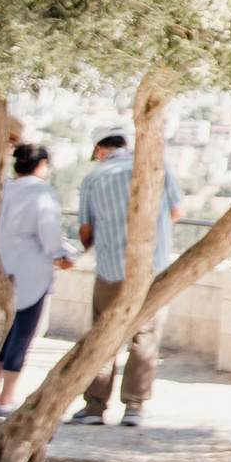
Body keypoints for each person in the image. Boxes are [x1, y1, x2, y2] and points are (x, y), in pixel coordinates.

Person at [69, 129, 186, 427]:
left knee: (103, 336)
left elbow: (85, 231)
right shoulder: (155, 167)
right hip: (152, 268)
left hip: (110, 268)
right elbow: (177, 211)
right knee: (145, 336)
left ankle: (95, 406)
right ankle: (135, 405)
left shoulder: (94, 178)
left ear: (100, 150)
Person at [0, 143, 77, 416]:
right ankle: (5, 398)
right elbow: (49, 234)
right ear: (42, 165)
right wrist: (61, 255)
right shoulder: (41, 192)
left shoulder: (3, 188)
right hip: (30, 272)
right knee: (21, 336)